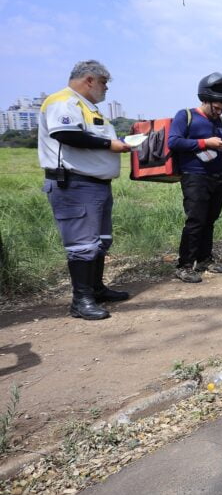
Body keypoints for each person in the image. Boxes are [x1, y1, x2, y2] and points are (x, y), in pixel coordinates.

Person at [38, 60, 131, 320]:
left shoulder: (87, 107)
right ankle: (81, 301)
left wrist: (117, 143)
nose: (106, 88)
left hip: (96, 184)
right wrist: (110, 145)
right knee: (82, 245)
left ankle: (96, 289)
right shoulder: (63, 101)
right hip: (74, 184)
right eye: (103, 82)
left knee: (100, 241)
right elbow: (66, 134)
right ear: (89, 80)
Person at [168, 72, 222, 282]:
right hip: (195, 176)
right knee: (196, 220)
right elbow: (174, 141)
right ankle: (184, 265)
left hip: (218, 175)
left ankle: (205, 259)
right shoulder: (185, 115)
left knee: (210, 220)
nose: (219, 112)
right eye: (216, 108)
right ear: (205, 100)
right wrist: (205, 143)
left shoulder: (220, 121)